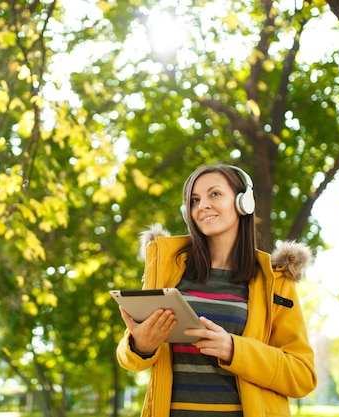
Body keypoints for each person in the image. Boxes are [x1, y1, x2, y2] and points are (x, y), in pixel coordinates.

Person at [116, 163, 317, 416]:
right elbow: (129, 359)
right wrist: (140, 345)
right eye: (194, 200)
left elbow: (302, 376)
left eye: (215, 194)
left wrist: (235, 350)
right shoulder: (167, 271)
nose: (203, 206)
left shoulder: (275, 281)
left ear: (244, 202)